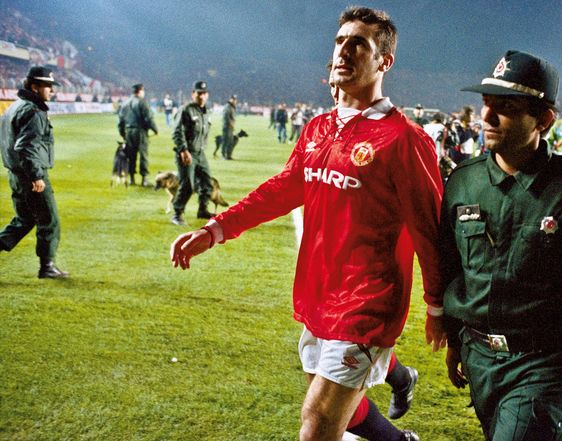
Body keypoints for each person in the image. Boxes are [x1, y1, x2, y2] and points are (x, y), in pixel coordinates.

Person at [170, 7, 446, 441]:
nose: (344, 51)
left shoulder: (404, 139)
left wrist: (437, 306)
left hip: (367, 302)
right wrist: (215, 229)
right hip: (318, 292)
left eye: (360, 44)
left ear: (383, 62)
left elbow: (429, 230)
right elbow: (284, 188)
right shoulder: (319, 128)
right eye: (340, 41)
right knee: (341, 410)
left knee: (316, 423)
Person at [440, 50, 562, 440]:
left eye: (506, 107)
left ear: (544, 119)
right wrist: (454, 338)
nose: (487, 117)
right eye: (486, 104)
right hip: (478, 356)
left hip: (544, 362)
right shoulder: (463, 182)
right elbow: (451, 267)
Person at [0, 66, 69, 278]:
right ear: (33, 86)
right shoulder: (33, 110)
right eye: (47, 86)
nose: (51, 90)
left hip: (16, 172)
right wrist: (36, 175)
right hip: (29, 174)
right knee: (49, 219)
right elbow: (26, 146)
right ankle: (47, 267)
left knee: (25, 219)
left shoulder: (15, 106)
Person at [170, 80, 215, 225]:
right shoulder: (186, 110)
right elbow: (177, 131)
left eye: (204, 93)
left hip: (200, 153)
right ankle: (177, 214)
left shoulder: (206, 112)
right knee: (188, 185)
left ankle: (202, 210)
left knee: (207, 182)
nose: (201, 96)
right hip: (187, 153)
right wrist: (183, 150)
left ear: (207, 95)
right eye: (198, 93)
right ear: (193, 94)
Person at [118, 83, 158, 187]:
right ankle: (144, 179)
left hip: (128, 132)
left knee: (131, 156)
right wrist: (155, 129)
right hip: (140, 132)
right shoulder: (142, 102)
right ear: (140, 91)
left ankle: (132, 178)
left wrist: (122, 133)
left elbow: (121, 121)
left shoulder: (125, 103)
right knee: (143, 155)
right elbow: (148, 118)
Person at [221, 95, 237, 160]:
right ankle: (223, 155)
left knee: (230, 142)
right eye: (233, 99)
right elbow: (226, 117)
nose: (234, 101)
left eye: (235, 99)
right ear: (230, 99)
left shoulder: (232, 107)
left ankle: (228, 155)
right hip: (227, 127)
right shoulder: (227, 107)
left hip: (230, 128)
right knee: (225, 142)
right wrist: (231, 123)